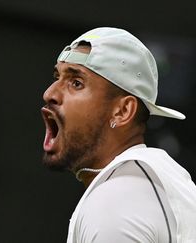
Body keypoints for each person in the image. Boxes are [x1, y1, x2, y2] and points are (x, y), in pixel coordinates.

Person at [41, 27, 196, 243]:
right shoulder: (153, 183)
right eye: (57, 77)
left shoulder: (116, 202)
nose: (49, 93)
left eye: (76, 83)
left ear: (123, 111)